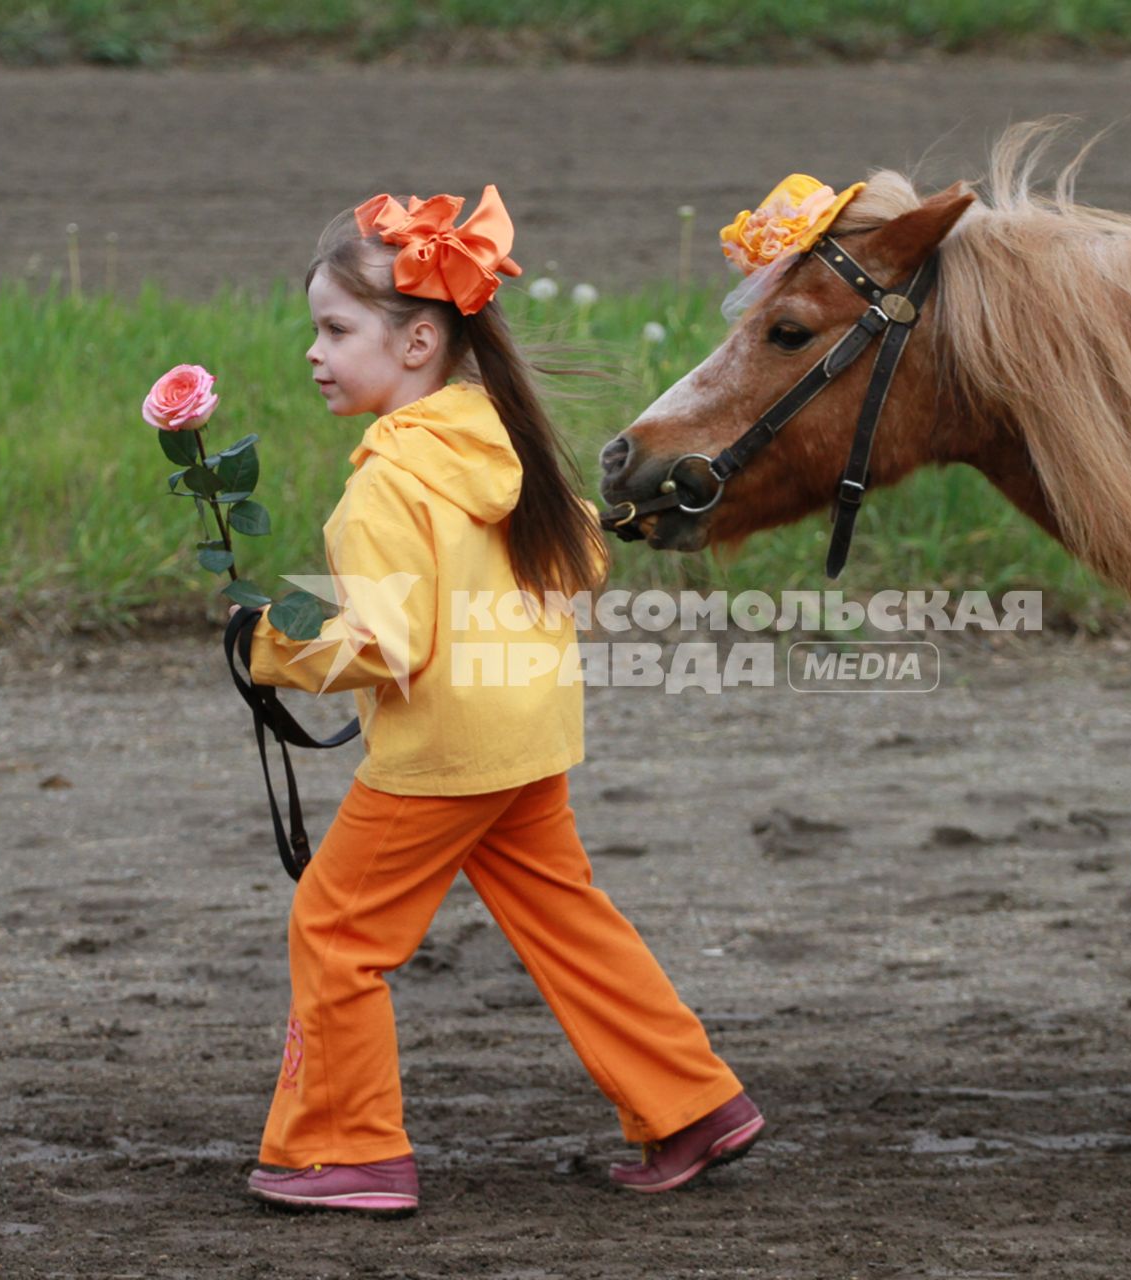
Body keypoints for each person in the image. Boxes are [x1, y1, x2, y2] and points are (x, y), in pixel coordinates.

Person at [229, 185, 762, 1215]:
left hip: (443, 756)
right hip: (531, 732)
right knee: (567, 918)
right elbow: (580, 567)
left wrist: (267, 645)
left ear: (420, 339)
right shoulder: (501, 443)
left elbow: (385, 643)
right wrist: (292, 608)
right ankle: (691, 1101)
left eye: (336, 329)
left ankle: (346, 1148)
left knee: (336, 929)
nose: (316, 351)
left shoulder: (385, 483)